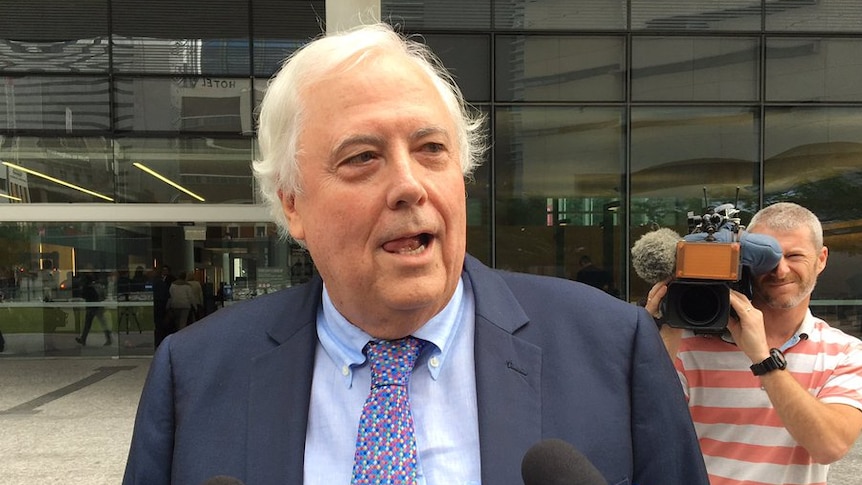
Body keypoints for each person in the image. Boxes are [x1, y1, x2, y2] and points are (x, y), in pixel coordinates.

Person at [123, 23, 707, 485]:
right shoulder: (193, 375)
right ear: (293, 203)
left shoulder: (614, 349)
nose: (409, 185)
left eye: (431, 148)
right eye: (362, 157)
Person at [645, 202, 862, 485]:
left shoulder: (844, 352)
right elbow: (647, 432)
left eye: (795, 255)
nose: (780, 271)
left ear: (821, 259)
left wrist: (763, 359)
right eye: (767, 260)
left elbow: (829, 446)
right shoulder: (689, 345)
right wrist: (660, 337)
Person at [75, 274, 111, 346]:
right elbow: (103, 296)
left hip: (91, 308)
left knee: (88, 324)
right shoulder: (97, 287)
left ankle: (83, 339)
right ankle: (108, 338)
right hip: (98, 307)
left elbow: (83, 295)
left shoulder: (87, 288)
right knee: (103, 323)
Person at [151, 264, 175, 348]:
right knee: (160, 324)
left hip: (158, 305)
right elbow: (167, 296)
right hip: (161, 305)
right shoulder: (160, 282)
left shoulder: (155, 282)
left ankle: (158, 341)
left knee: (158, 324)